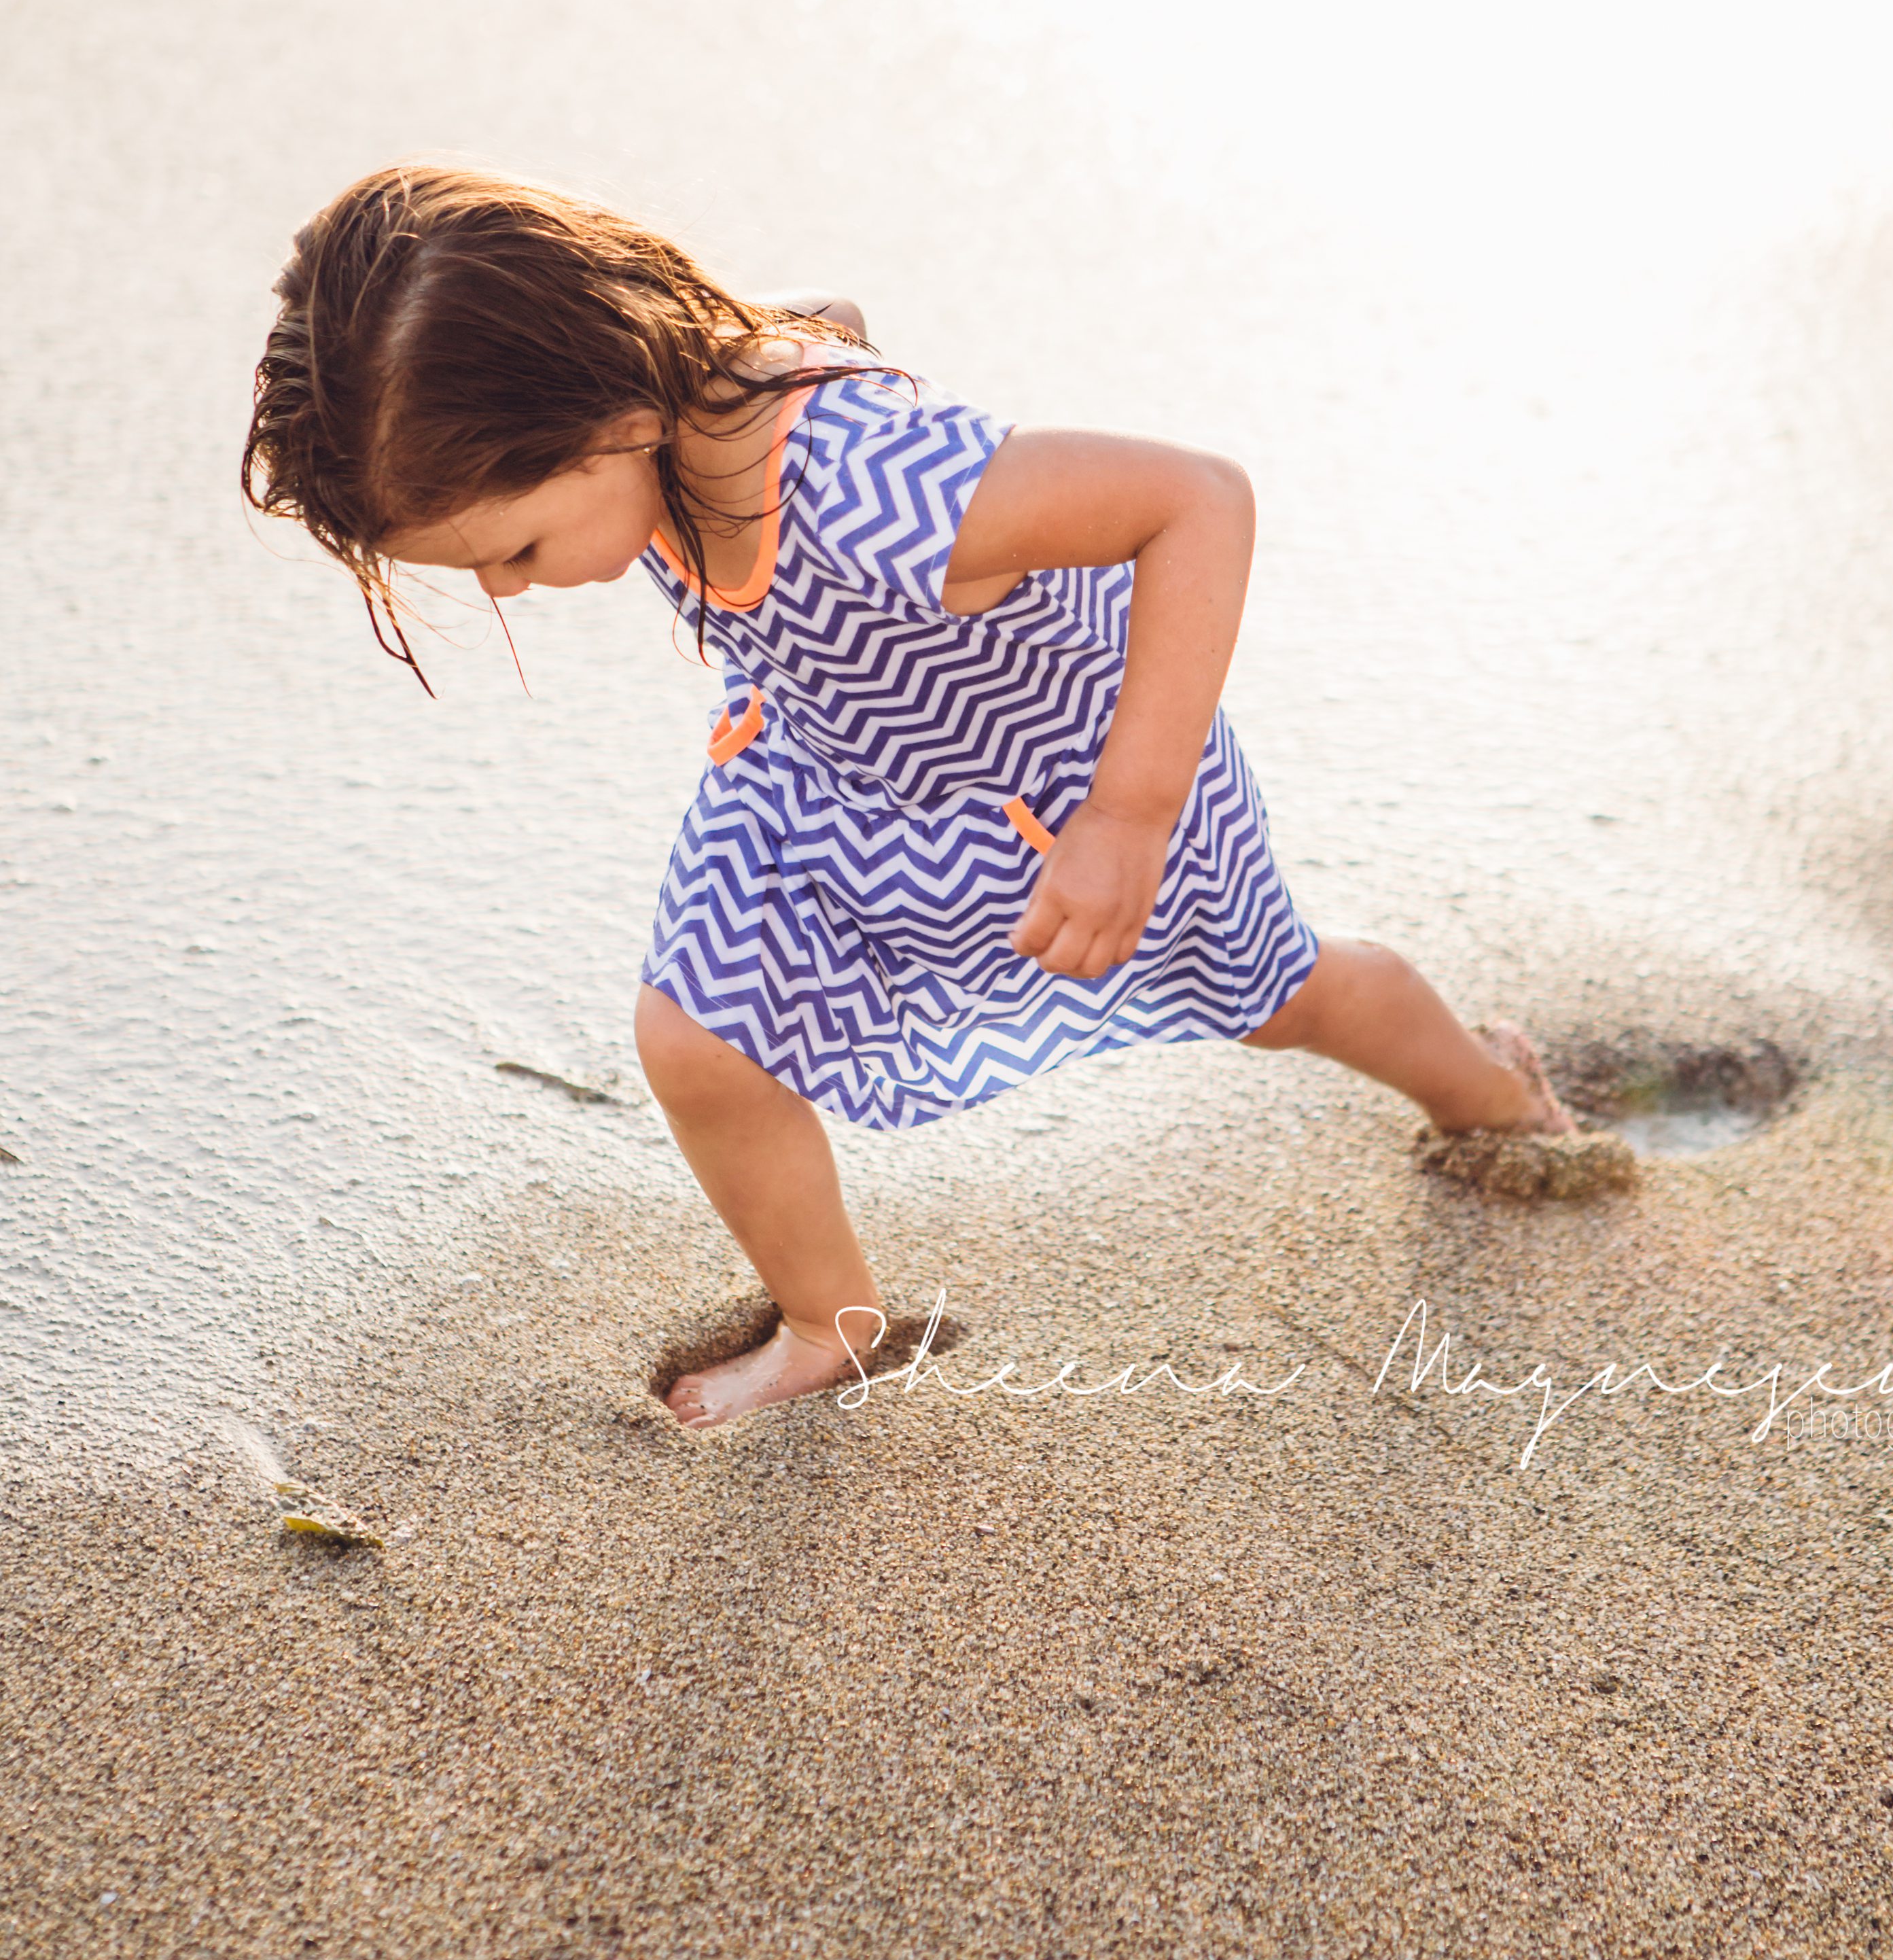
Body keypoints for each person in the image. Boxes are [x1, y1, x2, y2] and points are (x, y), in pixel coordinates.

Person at [243, 164, 1574, 1431]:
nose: (506, 588)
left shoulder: (882, 487)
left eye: (513, 548)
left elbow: (1197, 501)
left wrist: (1131, 817)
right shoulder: (664, 390)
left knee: (1280, 996)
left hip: (1069, 777)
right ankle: (835, 1324)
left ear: (616, 422)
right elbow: (828, 323)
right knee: (694, 1036)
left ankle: (1490, 1094)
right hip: (826, 766)